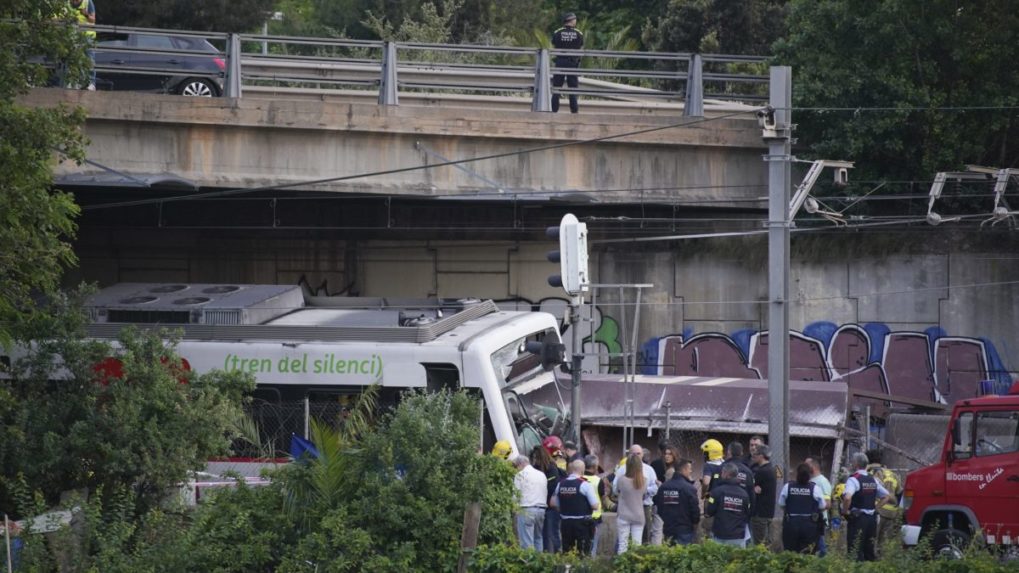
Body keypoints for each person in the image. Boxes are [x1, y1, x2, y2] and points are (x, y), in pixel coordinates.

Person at [841, 452, 892, 561]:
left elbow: (847, 497)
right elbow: (887, 496)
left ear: (856, 464)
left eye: (852, 462)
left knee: (855, 550)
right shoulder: (872, 479)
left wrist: (845, 511)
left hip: (857, 519)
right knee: (869, 550)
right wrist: (876, 508)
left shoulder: (854, 479)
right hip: (871, 520)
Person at [551, 459, 600, 554]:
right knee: (583, 552)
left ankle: (568, 568)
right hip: (582, 524)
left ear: (571, 469)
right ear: (583, 470)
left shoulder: (561, 483)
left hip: (565, 523)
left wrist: (564, 509)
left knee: (567, 552)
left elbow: (553, 503)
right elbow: (595, 506)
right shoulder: (585, 485)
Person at [614, 444, 659, 543]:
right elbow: (615, 489)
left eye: (638, 453)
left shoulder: (649, 470)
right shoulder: (621, 470)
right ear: (628, 455)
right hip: (626, 506)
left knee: (644, 537)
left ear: (643, 455)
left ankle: (642, 556)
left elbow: (654, 487)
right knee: (623, 539)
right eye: (633, 454)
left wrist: (644, 492)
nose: (636, 456)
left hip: (644, 506)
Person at [778, 463, 826, 553]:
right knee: (808, 552)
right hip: (809, 525)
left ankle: (791, 567)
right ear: (810, 475)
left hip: (791, 523)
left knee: (790, 552)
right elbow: (822, 506)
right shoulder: (815, 488)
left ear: (797, 474)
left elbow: (781, 504)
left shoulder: (788, 486)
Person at [654, 458, 700, 545]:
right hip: (685, 530)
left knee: (669, 556)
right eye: (690, 469)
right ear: (684, 469)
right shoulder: (689, 488)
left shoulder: (663, 487)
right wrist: (695, 524)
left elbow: (659, 507)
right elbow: (695, 510)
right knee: (683, 556)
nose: (691, 471)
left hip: (668, 529)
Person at [705, 463, 751, 547]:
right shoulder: (745, 494)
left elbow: (710, 511)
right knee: (738, 559)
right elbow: (748, 512)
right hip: (738, 535)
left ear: (726, 474)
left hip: (720, 535)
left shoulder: (716, 492)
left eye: (722, 472)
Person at [865, 449, 902, 555]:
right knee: (885, 544)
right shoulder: (892, 474)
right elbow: (899, 493)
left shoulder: (872, 473)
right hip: (891, 513)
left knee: (872, 541)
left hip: (878, 512)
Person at [532, 444, 565, 553]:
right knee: (542, 534)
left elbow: (552, 487)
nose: (534, 461)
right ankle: (545, 556)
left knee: (551, 533)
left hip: (550, 507)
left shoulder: (551, 468)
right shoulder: (537, 468)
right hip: (542, 506)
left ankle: (555, 555)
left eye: (536, 458)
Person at [613, 453, 647, 552]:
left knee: (622, 545)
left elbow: (616, 492)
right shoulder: (644, 481)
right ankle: (635, 566)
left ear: (627, 465)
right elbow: (644, 496)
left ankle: (621, 566)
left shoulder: (621, 480)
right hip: (638, 516)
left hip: (623, 515)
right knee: (637, 546)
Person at [513, 455, 548, 551]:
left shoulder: (520, 475)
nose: (516, 469)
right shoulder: (541, 474)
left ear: (520, 464)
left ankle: (529, 564)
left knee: (526, 541)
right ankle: (540, 563)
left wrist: (515, 510)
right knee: (538, 538)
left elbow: (516, 494)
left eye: (516, 467)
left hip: (527, 509)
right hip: (541, 509)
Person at [550, 12, 583, 113]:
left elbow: (553, 43)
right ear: (571, 20)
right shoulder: (578, 33)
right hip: (572, 63)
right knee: (572, 89)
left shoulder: (557, 32)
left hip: (560, 62)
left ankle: (554, 111)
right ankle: (574, 112)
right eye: (575, 19)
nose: (575, 21)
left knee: (556, 88)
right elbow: (580, 45)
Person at [648, 441, 677, 545]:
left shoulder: (656, 464)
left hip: (663, 500)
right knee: (659, 529)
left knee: (658, 530)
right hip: (666, 501)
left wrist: (661, 485)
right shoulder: (677, 467)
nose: (666, 456)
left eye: (669, 454)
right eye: (666, 454)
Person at [804, 456, 833, 556]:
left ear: (813, 466)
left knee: (821, 548)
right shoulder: (810, 481)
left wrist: (812, 510)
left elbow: (827, 504)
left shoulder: (822, 481)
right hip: (809, 520)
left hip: (818, 520)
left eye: (806, 465)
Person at [750, 444, 777, 547]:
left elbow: (751, 488)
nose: (753, 456)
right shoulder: (771, 469)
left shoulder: (762, 471)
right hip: (769, 512)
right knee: (767, 543)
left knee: (759, 544)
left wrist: (752, 487)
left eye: (755, 454)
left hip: (759, 513)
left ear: (761, 455)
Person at [582, 454, 609, 555]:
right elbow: (603, 498)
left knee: (581, 544)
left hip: (581, 516)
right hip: (595, 517)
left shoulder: (579, 477)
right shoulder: (598, 481)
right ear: (594, 467)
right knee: (593, 545)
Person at [699, 438, 725, 540]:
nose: (704, 455)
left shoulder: (709, 466)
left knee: (708, 528)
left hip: (711, 499)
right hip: (723, 499)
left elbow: (706, 482)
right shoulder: (725, 464)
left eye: (706, 453)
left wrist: (703, 493)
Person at [68, 0, 97, 91]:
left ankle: (91, 83)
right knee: (76, 59)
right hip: (74, 35)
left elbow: (93, 19)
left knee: (89, 59)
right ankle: (78, 82)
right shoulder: (68, 2)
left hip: (87, 35)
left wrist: (85, 14)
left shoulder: (88, 2)